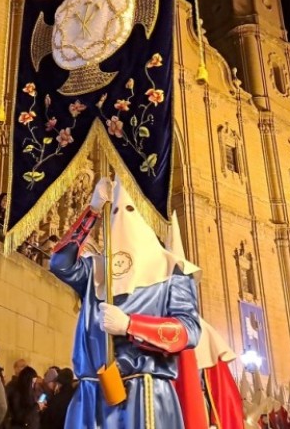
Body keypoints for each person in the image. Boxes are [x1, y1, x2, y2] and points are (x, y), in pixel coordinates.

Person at [48, 177, 201, 428]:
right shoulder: (94, 271)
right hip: (92, 393)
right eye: (116, 211)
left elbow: (189, 331)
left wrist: (131, 326)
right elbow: (59, 264)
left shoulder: (172, 271)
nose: (122, 219)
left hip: (144, 393)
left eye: (130, 210)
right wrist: (93, 211)